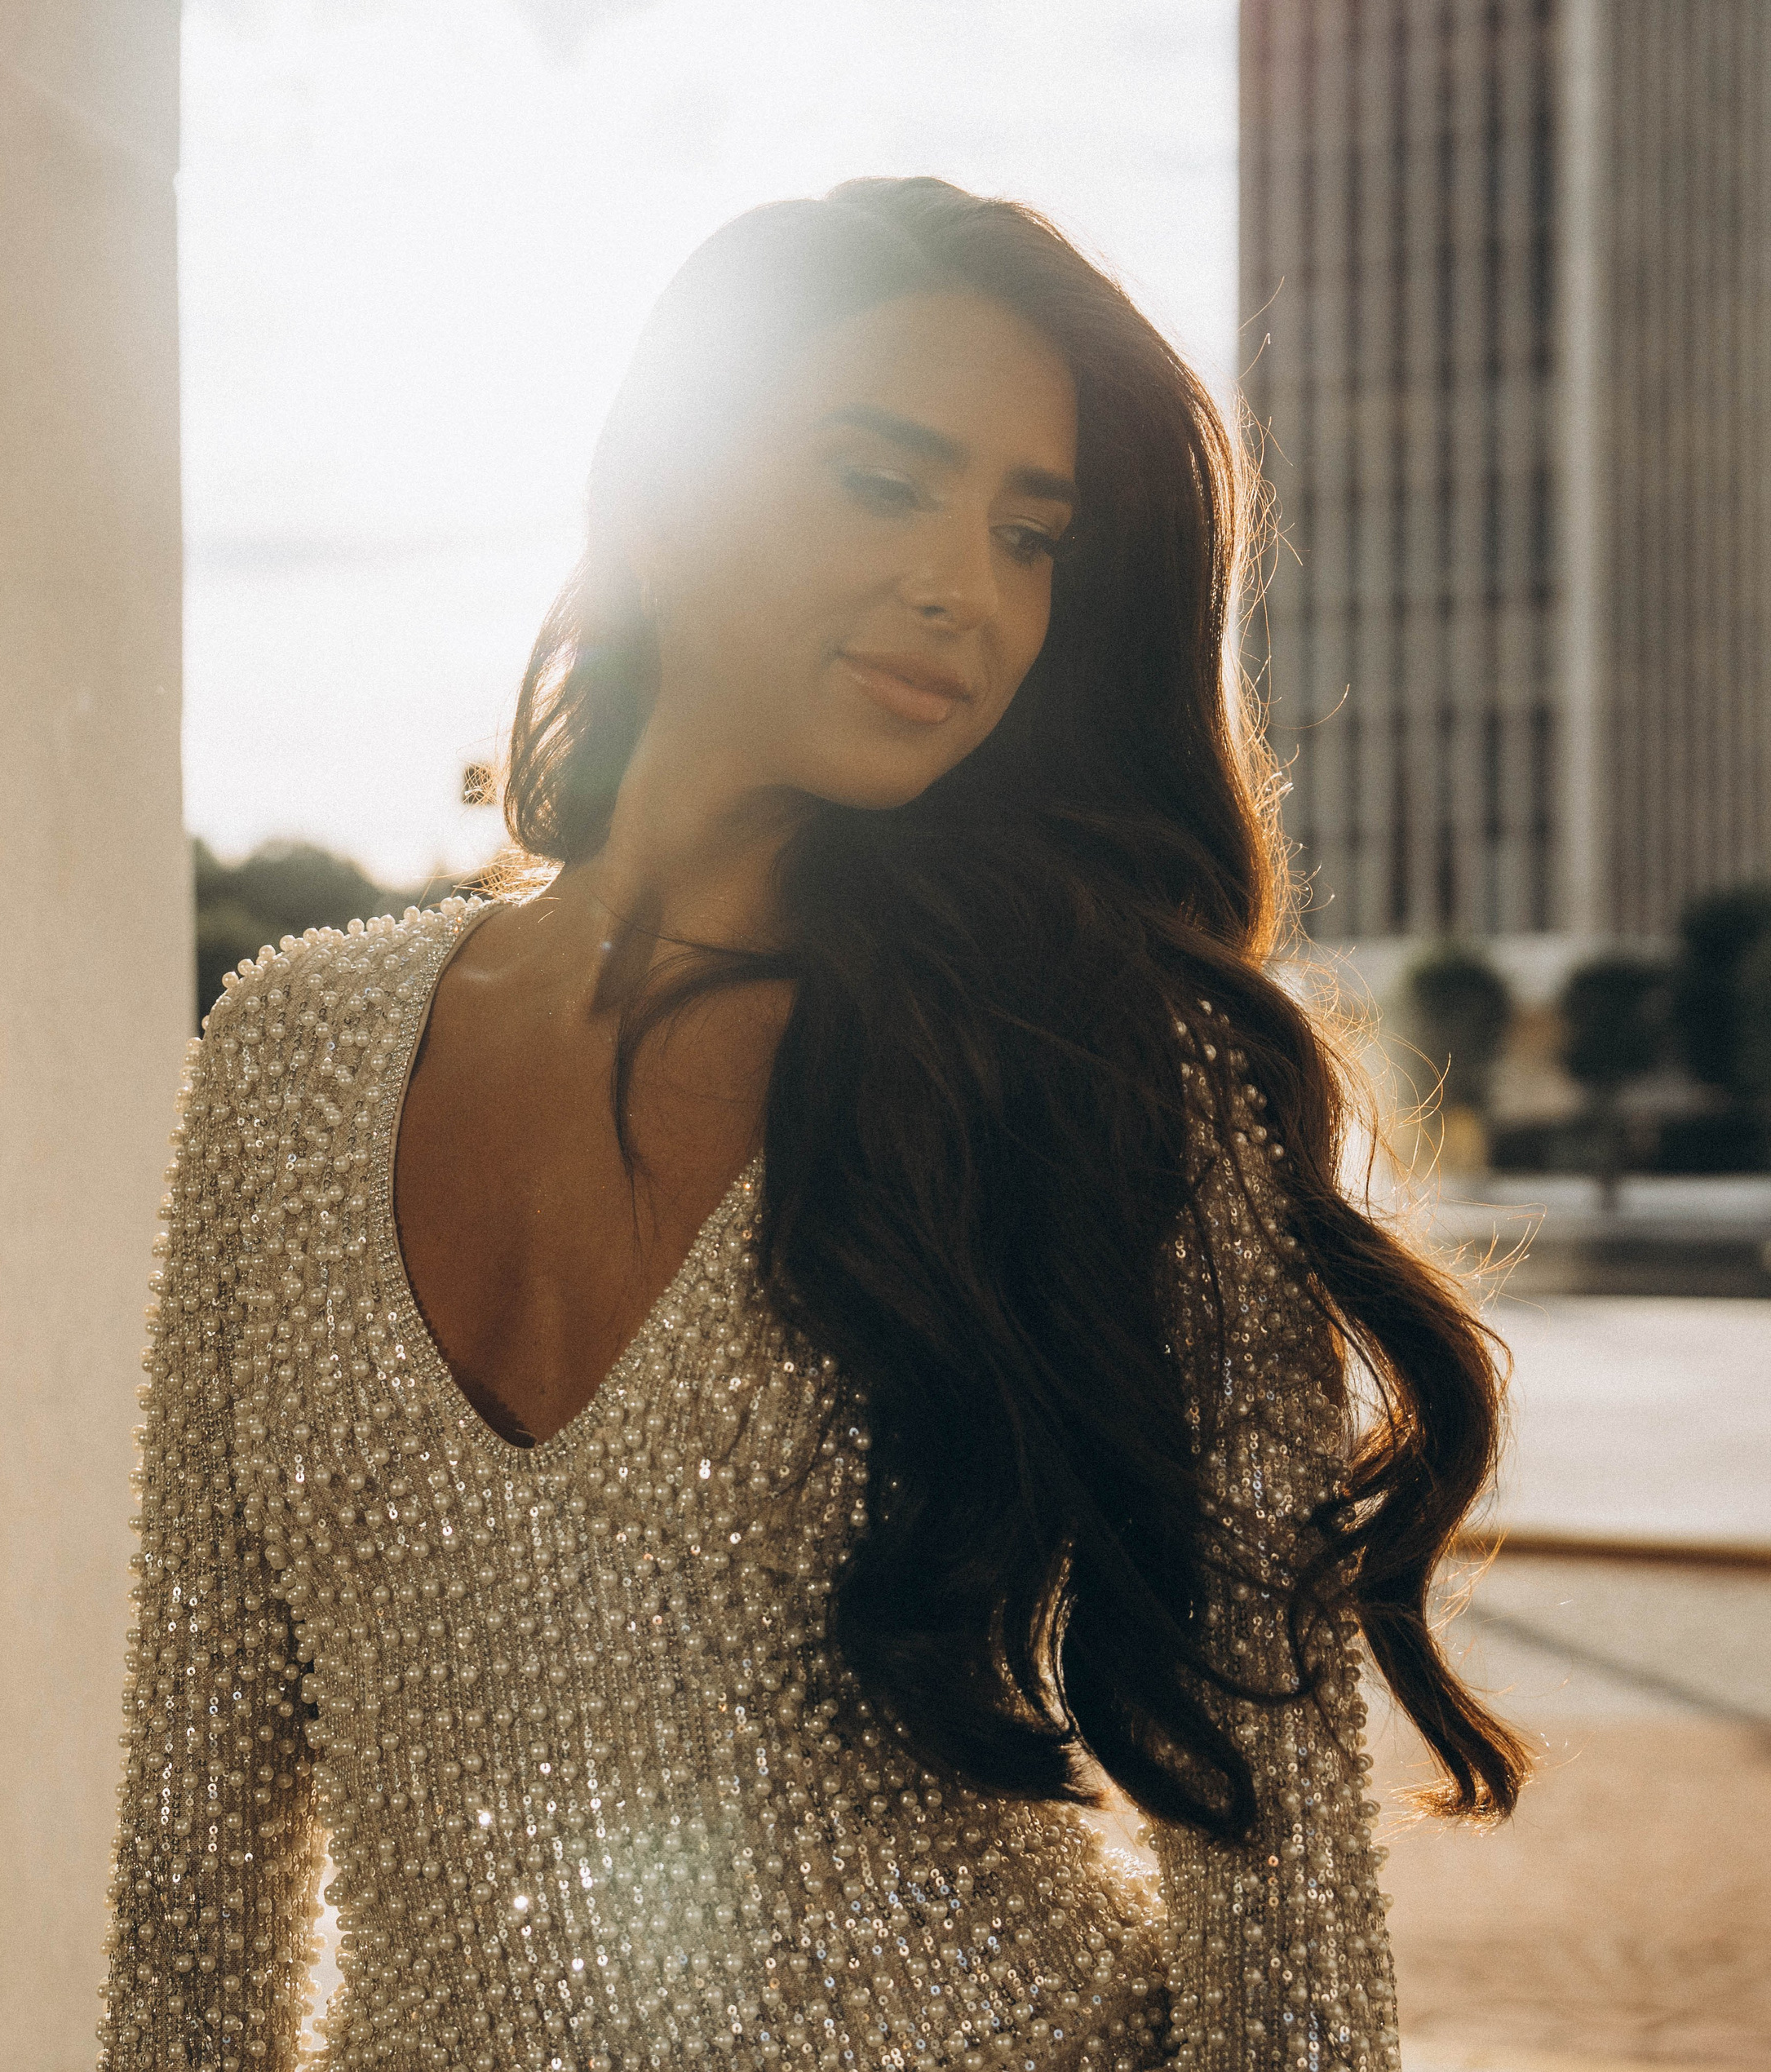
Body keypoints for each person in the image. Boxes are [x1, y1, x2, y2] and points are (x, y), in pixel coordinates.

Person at [98, 178, 1525, 2072]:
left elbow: (1279, 1896)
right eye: (882, 482)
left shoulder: (1096, 1064)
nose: (967, 589)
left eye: (1032, 538)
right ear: (665, 491)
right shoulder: (289, 1050)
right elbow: (197, 1853)